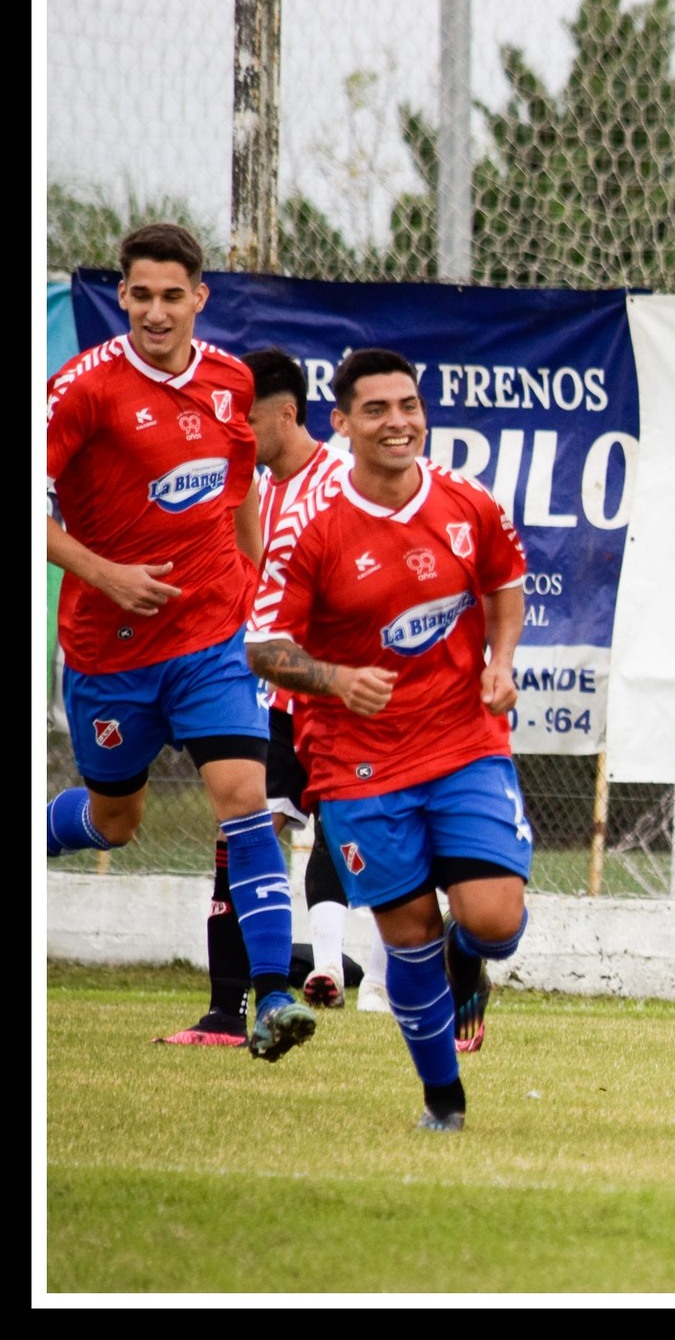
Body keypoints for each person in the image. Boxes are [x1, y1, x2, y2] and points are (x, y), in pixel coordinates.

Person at [45, 223, 316, 1063]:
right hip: (110, 649)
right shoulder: (82, 389)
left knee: (246, 801)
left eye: (173, 296)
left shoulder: (231, 383)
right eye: (140, 295)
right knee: (115, 820)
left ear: (200, 298)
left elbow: (241, 483)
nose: (156, 312)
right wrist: (107, 573)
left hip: (210, 638)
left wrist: (247, 572)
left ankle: (270, 1000)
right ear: (122, 296)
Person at [247, 348, 533, 1130]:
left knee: (496, 921)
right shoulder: (312, 528)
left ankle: (468, 949)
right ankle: (444, 1105)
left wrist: (500, 663)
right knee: (408, 938)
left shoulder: (468, 502)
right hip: (357, 762)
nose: (398, 422)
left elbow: (505, 582)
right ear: (341, 423)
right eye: (376, 409)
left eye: (408, 405)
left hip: (464, 739)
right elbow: (264, 648)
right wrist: (337, 680)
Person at [157, 347, 373, 1045]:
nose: (237, 434)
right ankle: (234, 1009)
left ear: (286, 413)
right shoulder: (242, 488)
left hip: (331, 692)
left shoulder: (342, 481)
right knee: (244, 832)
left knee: (372, 847)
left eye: (247, 421)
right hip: (266, 694)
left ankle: (381, 966)